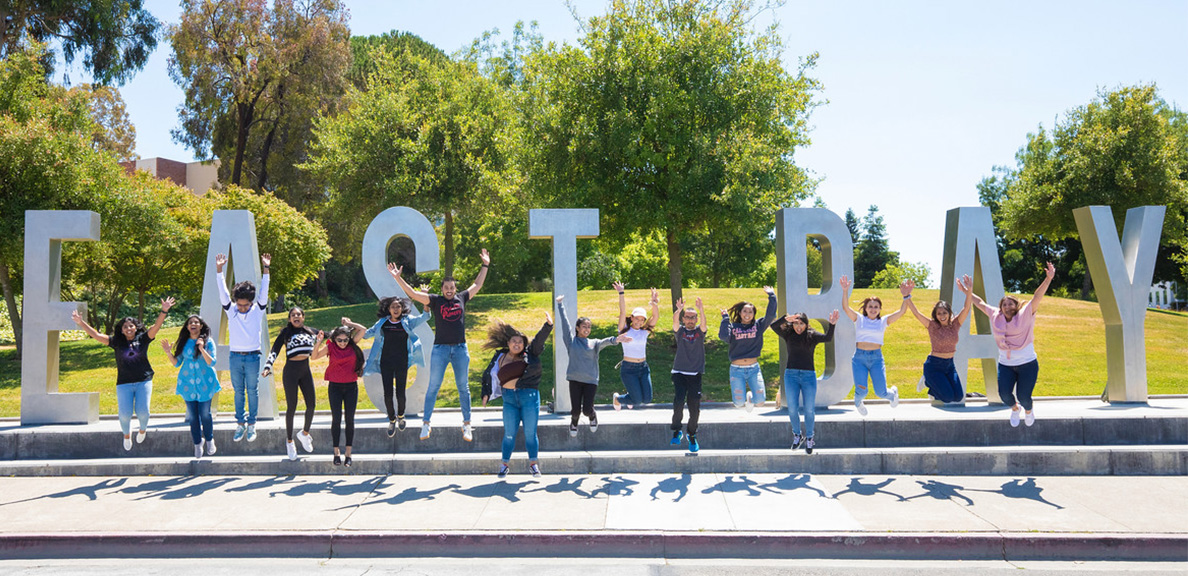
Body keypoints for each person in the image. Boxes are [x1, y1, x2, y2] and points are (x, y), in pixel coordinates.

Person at [390, 249, 490, 442]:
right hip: (441, 350)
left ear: (455, 288)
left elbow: (478, 284)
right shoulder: (435, 300)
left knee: (464, 388)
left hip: (460, 349)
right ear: (442, 289)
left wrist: (485, 264)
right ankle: (426, 424)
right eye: (446, 288)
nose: (450, 290)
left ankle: (467, 424)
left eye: (452, 287)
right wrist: (398, 278)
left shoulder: (462, 298)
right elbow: (411, 293)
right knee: (433, 386)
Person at [70, 297, 174, 451]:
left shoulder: (143, 339)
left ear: (136, 327)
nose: (128, 328)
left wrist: (164, 310)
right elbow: (97, 335)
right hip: (124, 383)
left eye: (131, 326)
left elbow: (157, 326)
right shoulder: (117, 342)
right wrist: (81, 323)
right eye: (125, 327)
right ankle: (126, 435)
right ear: (121, 329)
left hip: (143, 380)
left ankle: (142, 429)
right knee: (124, 415)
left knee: (143, 413)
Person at [969, 262, 1056, 427]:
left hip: (1027, 363)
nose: (1007, 306)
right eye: (1004, 304)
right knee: (1004, 395)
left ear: (1016, 306)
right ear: (1001, 307)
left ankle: (1028, 411)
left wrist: (1048, 279)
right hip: (1006, 364)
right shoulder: (996, 315)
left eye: (1011, 304)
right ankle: (1015, 409)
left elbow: (1037, 297)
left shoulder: (1025, 314)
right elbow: (979, 303)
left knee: (1024, 397)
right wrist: (968, 292)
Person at [343, 295, 428, 437]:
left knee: (400, 393)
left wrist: (426, 300)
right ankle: (391, 419)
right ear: (388, 309)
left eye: (398, 306)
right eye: (393, 306)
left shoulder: (407, 322)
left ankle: (401, 415)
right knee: (388, 394)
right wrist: (352, 325)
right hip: (386, 363)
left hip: (401, 362)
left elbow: (425, 317)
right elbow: (367, 334)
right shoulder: (383, 323)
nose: (396, 309)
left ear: (402, 309)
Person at [480, 314, 553, 478]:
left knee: (530, 433)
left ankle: (533, 464)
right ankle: (504, 465)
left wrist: (548, 326)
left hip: (529, 397)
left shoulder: (530, 354)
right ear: (508, 343)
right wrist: (486, 393)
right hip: (509, 400)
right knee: (509, 433)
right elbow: (488, 375)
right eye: (514, 341)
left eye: (520, 342)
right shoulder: (500, 357)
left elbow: (539, 341)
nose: (517, 344)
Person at [554, 295, 631, 437]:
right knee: (575, 411)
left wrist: (616, 339)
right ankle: (574, 422)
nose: (587, 329)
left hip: (590, 381)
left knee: (586, 410)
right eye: (584, 326)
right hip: (575, 379)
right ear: (577, 328)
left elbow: (605, 341)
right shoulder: (571, 342)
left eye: (589, 327)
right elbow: (565, 325)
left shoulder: (593, 343)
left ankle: (592, 416)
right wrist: (560, 305)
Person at [215, 252, 271, 443]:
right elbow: (222, 291)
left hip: (253, 356)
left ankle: (252, 424)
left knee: (252, 390)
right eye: (239, 304)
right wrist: (219, 270)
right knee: (238, 391)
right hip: (235, 357)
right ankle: (240, 424)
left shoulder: (257, 310)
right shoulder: (231, 311)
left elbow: (264, 291)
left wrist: (266, 268)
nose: (242, 308)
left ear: (251, 303)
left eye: (245, 305)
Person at [838, 275, 911, 416]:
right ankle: (858, 402)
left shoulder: (883, 321)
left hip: (876, 358)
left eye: (876, 307)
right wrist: (845, 291)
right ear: (865, 308)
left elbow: (901, 312)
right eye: (870, 306)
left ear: (880, 309)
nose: (873, 309)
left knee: (881, 392)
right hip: (859, 358)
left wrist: (906, 296)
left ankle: (892, 394)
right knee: (862, 391)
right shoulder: (859, 319)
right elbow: (846, 307)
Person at [770, 309, 839, 454]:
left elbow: (827, 338)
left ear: (806, 324)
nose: (798, 327)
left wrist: (832, 325)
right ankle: (797, 434)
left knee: (809, 409)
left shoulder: (811, 336)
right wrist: (785, 319)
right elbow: (774, 326)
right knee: (792, 408)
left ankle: (809, 437)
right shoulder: (788, 335)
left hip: (808, 376)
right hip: (791, 375)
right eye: (796, 324)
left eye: (801, 324)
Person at [262, 307, 323, 461]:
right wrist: (268, 366)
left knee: (311, 405)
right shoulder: (285, 333)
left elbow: (333, 336)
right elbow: (274, 350)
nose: (296, 317)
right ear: (289, 319)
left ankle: (304, 434)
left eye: (299, 314)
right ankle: (289, 441)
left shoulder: (310, 331)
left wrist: (348, 328)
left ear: (303, 317)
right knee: (292, 407)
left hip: (305, 371)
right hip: (290, 372)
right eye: (293, 315)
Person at [902, 275, 975, 403]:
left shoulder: (955, 324)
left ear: (949, 313)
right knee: (947, 398)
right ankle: (928, 381)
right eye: (939, 313)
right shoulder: (932, 326)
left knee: (958, 397)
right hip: (934, 365)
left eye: (944, 313)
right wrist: (907, 297)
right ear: (935, 315)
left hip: (949, 365)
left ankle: (931, 385)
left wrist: (969, 291)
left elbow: (966, 308)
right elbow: (917, 314)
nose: (942, 316)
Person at [161, 315, 219, 459]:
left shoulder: (208, 342)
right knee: (193, 417)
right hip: (187, 384)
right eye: (190, 322)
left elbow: (211, 362)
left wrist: (201, 347)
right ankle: (197, 443)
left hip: (205, 383)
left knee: (205, 414)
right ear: (187, 327)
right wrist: (168, 352)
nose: (193, 324)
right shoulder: (184, 343)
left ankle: (210, 439)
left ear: (201, 326)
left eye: (196, 322)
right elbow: (176, 363)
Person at [719, 287, 778, 411]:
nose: (747, 314)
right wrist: (725, 319)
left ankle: (750, 397)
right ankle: (745, 399)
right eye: (745, 311)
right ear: (740, 313)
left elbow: (771, 315)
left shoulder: (758, 326)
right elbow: (724, 336)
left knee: (761, 402)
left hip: (753, 369)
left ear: (754, 314)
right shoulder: (733, 327)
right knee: (739, 403)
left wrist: (772, 296)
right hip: (736, 370)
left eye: (750, 312)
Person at [312, 325, 365, 466]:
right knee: (336, 419)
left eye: (345, 340)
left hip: (351, 387)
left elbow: (363, 330)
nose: (342, 343)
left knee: (350, 420)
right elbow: (314, 357)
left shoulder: (352, 345)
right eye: (339, 340)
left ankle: (348, 453)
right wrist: (318, 341)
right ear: (335, 339)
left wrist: (350, 323)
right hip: (335, 386)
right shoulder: (331, 347)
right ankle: (336, 453)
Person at [611, 282, 660, 410]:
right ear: (632, 318)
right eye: (636, 318)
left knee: (647, 399)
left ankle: (630, 397)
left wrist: (654, 303)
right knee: (637, 400)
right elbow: (622, 312)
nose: (639, 322)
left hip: (643, 368)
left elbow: (655, 316)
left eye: (642, 319)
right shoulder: (624, 330)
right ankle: (618, 398)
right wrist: (621, 293)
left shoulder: (644, 332)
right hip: (629, 368)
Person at [669, 296, 707, 453]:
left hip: (695, 374)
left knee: (694, 407)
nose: (690, 320)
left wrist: (701, 309)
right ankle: (677, 430)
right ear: (684, 319)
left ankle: (692, 435)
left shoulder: (700, 331)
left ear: (696, 319)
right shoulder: (681, 331)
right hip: (679, 372)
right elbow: (675, 323)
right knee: (678, 402)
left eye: (693, 317)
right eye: (687, 317)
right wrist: (678, 311)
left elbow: (704, 324)